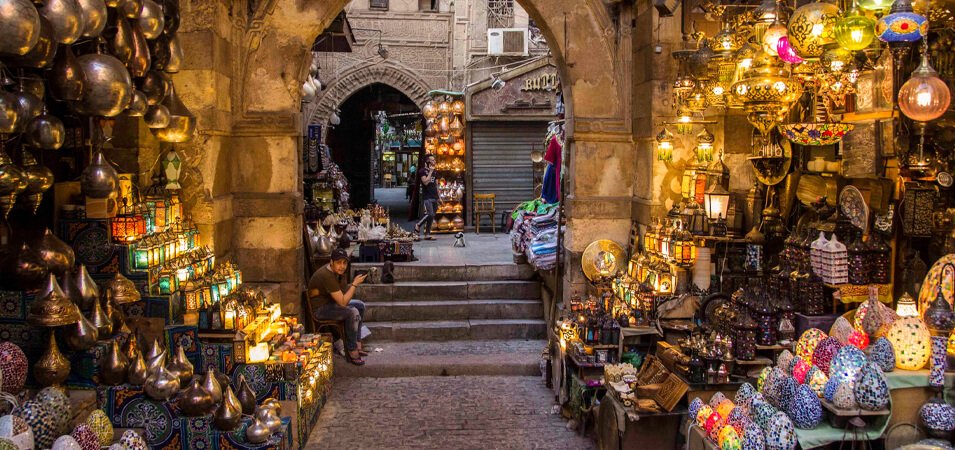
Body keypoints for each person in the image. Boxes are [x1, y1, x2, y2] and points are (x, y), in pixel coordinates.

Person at [308, 249, 369, 365]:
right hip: (320, 309)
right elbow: (343, 302)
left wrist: (344, 280)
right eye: (338, 263)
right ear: (331, 262)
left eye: (344, 263)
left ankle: (357, 343)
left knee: (360, 306)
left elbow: (343, 294)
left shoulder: (336, 273)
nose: (342, 266)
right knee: (353, 312)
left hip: (331, 303)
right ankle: (351, 350)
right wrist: (355, 284)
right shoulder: (327, 275)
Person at [414, 154, 439, 240]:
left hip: (434, 195)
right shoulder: (422, 171)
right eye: (432, 160)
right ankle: (418, 225)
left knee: (432, 215)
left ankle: (427, 234)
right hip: (427, 196)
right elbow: (425, 182)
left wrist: (439, 197)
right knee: (430, 214)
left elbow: (436, 184)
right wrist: (430, 172)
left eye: (434, 160)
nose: (434, 161)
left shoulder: (435, 171)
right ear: (428, 161)